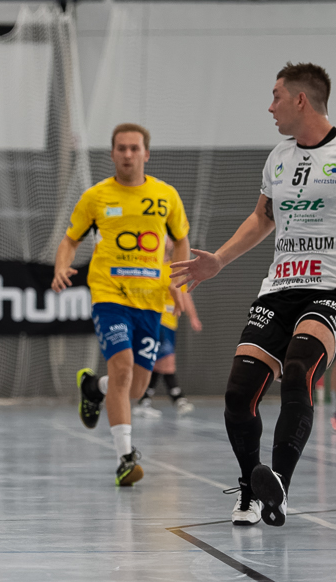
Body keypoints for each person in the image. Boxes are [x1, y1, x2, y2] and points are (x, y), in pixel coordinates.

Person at [172, 62, 336, 527]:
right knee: (237, 395)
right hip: (278, 288)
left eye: (276, 96)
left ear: (301, 99)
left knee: (299, 369)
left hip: (329, 289)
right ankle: (252, 486)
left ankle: (278, 484)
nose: (270, 107)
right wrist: (218, 260)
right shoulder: (279, 156)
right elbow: (263, 217)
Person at [54, 123, 191, 487]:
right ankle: (125, 459)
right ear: (113, 153)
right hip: (109, 295)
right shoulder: (96, 196)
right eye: (121, 148)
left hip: (152, 300)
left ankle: (93, 388)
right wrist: (61, 265)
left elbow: (181, 240)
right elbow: (70, 240)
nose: (128, 154)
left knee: (134, 387)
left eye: (134, 148)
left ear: (146, 153)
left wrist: (178, 282)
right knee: (123, 366)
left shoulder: (166, 195)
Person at [134, 244, 203, 417]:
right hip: (157, 321)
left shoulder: (175, 267)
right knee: (167, 361)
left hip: (171, 322)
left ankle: (144, 399)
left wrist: (193, 317)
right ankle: (178, 398)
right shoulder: (151, 265)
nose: (169, 240)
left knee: (159, 362)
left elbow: (184, 294)